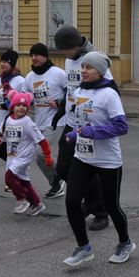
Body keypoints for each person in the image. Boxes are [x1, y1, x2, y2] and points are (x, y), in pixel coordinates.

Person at [58, 52, 134, 268]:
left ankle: (125, 242)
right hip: (83, 156)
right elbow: (79, 121)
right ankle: (84, 247)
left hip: (108, 159)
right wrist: (73, 134)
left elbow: (121, 127)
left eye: (89, 67)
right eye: (83, 67)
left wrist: (92, 132)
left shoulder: (109, 94)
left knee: (111, 205)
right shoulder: (79, 90)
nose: (84, 71)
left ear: (100, 71)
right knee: (72, 201)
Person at [51, 25, 112, 230]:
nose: (62, 53)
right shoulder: (70, 59)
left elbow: (109, 88)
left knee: (87, 169)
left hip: (87, 125)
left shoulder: (94, 59)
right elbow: (71, 88)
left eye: (64, 49)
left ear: (75, 45)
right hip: (70, 122)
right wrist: (61, 109)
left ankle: (101, 212)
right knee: (63, 168)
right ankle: (90, 201)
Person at [0, 92, 52, 217]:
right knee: (24, 181)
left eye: (24, 106)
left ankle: (21, 200)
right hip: (11, 156)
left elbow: (41, 140)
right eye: (18, 105)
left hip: (24, 157)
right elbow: (1, 137)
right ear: (12, 106)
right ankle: (37, 204)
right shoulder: (8, 119)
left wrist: (48, 156)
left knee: (9, 177)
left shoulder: (27, 122)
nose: (21, 108)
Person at [25, 42, 67, 192]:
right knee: (40, 157)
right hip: (39, 122)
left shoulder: (58, 73)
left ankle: (58, 180)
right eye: (32, 55)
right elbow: (25, 98)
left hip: (56, 121)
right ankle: (56, 182)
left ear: (45, 56)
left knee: (41, 153)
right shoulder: (30, 77)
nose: (33, 58)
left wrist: (59, 102)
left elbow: (73, 92)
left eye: (37, 55)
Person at [0, 49, 26, 145]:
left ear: (12, 64)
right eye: (1, 62)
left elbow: (25, 102)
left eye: (5, 62)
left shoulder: (20, 80)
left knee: (11, 152)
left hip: (14, 123)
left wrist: (10, 106)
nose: (2, 64)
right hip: (0, 122)